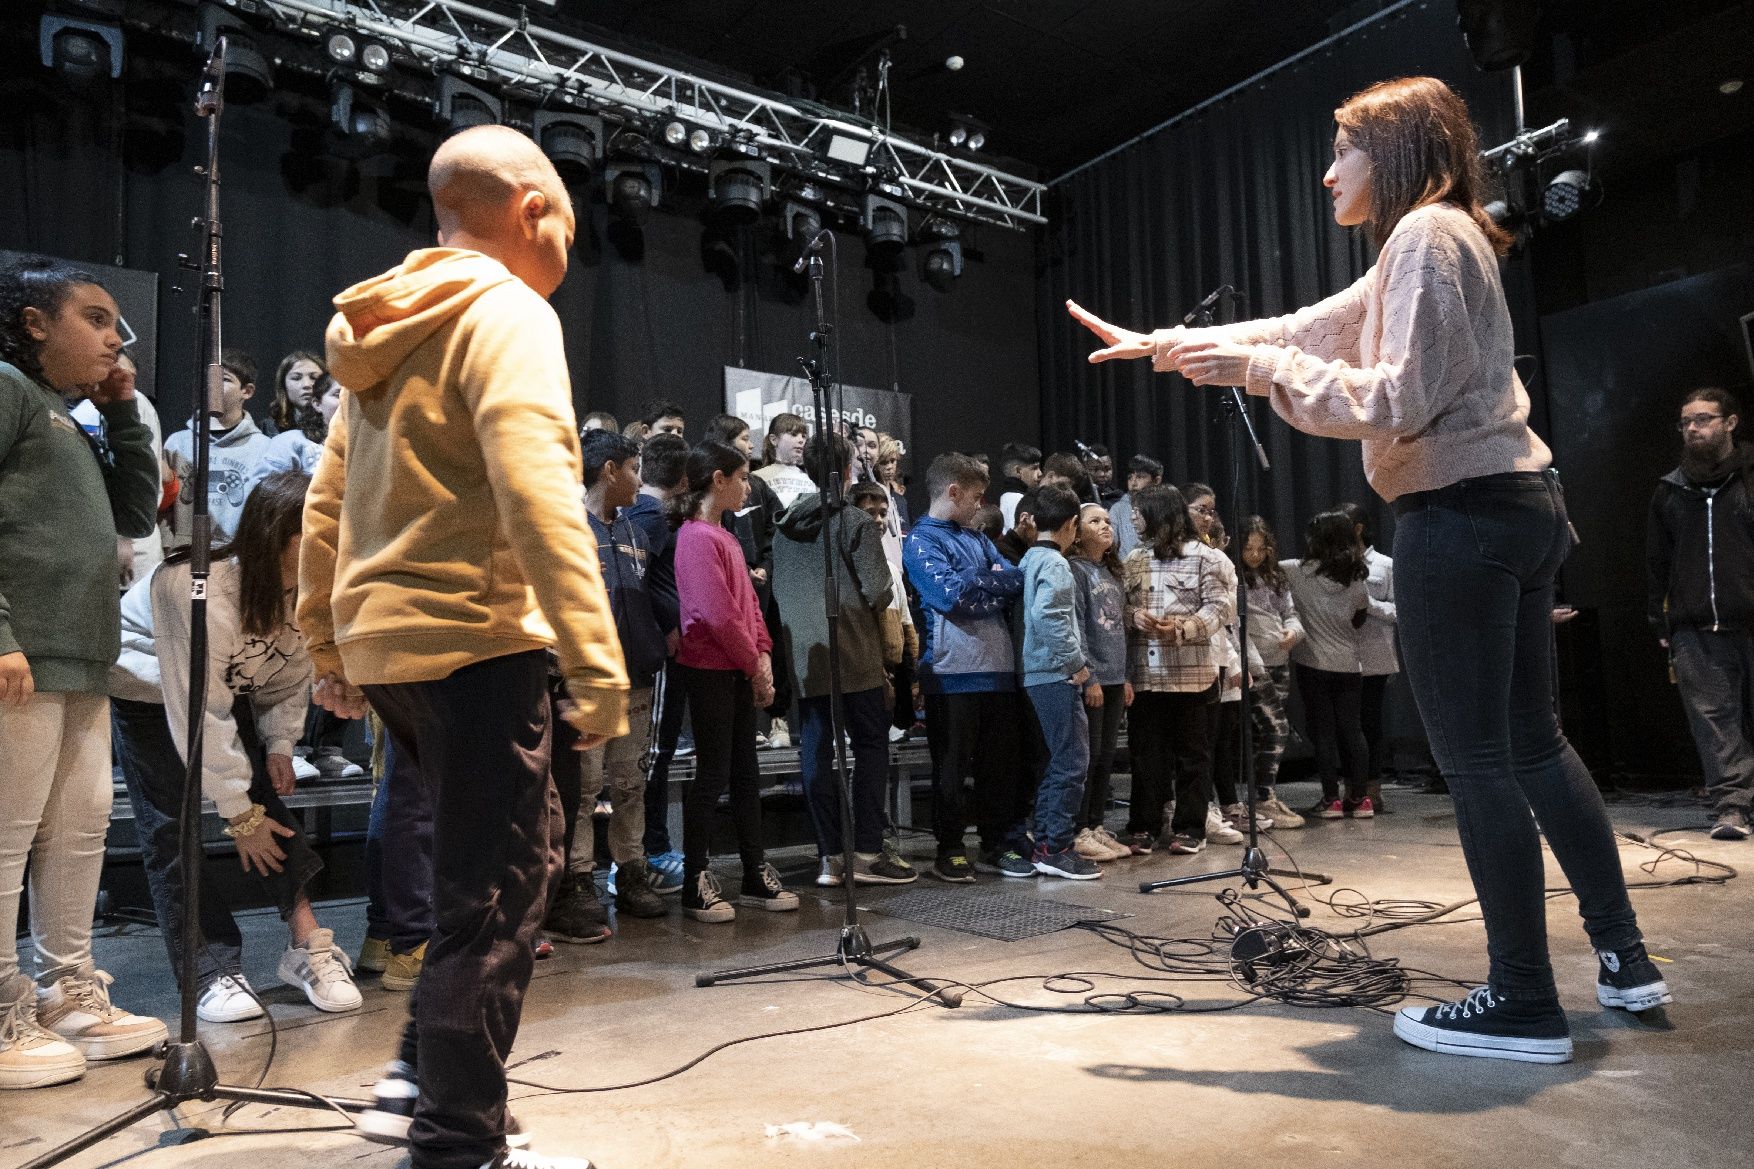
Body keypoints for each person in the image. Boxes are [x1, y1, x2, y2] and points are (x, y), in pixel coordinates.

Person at [1071, 75, 1668, 1062]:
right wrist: (1175, 345)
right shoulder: (1434, 238)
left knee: (1480, 761)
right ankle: (1622, 956)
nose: (1324, 170)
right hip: (1511, 503)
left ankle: (1522, 997)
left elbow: (1392, 396)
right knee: (1529, 745)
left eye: (1341, 149)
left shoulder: (1425, 237)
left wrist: (1254, 371)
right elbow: (1313, 323)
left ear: (1387, 154)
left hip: (1459, 513)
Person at [300, 125, 629, 1167]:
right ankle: (459, 1144)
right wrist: (596, 655)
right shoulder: (509, 311)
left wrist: (326, 641)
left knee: (472, 882)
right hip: (477, 637)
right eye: (567, 224)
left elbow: (322, 505)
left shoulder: (384, 328)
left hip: (390, 644)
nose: (567, 249)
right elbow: (538, 488)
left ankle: (415, 1079)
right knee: (496, 900)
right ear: (534, 209)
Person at [111, 470, 362, 1021]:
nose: (335, 546)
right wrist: (236, 813)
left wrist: (278, 742)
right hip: (150, 689)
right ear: (282, 536)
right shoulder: (196, 588)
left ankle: (306, 945)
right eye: (321, 533)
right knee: (172, 829)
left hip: (224, 692)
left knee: (268, 808)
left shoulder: (306, 589)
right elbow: (194, 707)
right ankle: (211, 971)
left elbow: (290, 672)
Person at [0, 256, 165, 1091]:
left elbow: (137, 510)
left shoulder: (71, 418)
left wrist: (124, 410)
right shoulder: (4, 387)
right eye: (95, 319)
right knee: (6, 833)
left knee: (79, 826)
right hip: (19, 654)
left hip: (78, 657)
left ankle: (67, 991)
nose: (113, 337)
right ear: (35, 322)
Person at [773, 435, 914, 886]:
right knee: (871, 749)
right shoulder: (854, 520)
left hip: (806, 660)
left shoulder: (782, 526)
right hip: (854, 654)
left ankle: (830, 857)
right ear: (846, 470)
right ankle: (867, 852)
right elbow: (879, 590)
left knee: (816, 755)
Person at [546, 430, 670, 939]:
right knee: (582, 788)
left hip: (634, 677)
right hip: (583, 680)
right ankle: (577, 878)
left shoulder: (637, 532)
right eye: (635, 470)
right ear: (609, 471)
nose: (641, 483)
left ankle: (631, 867)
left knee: (630, 781)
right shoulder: (568, 527)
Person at [673, 440, 797, 922]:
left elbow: (749, 608)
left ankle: (753, 869)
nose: (749, 486)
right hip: (709, 670)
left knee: (747, 773)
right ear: (718, 480)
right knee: (712, 774)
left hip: (739, 668)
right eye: (743, 477)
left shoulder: (727, 536)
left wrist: (763, 655)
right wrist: (753, 663)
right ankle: (695, 878)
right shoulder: (695, 537)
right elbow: (718, 615)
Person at [904, 452, 1027, 882]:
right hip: (951, 673)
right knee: (952, 770)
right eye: (976, 497)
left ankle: (995, 844)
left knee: (999, 769)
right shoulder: (920, 540)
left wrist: (979, 581)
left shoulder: (977, 538)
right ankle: (950, 849)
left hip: (998, 670)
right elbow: (955, 598)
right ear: (953, 491)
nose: (981, 505)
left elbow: (1016, 579)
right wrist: (986, 583)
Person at [1648, 386, 1754, 840]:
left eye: (1704, 419)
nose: (1693, 428)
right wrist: (1661, 620)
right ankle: (1732, 808)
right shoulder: (1670, 489)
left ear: (1730, 423)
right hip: (1694, 626)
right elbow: (1657, 562)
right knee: (1713, 723)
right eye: (1686, 421)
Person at [1122, 485, 1233, 855]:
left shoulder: (1207, 557)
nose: (1134, 518)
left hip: (1192, 674)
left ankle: (1190, 828)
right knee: (1146, 756)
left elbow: (1220, 609)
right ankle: (1143, 826)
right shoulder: (1133, 558)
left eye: (1139, 512)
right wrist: (1134, 616)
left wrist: (1183, 629)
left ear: (1158, 514)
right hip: (1145, 675)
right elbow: (1118, 606)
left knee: (1193, 756)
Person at [1019, 485, 1100, 878]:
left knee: (1061, 761)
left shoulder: (1030, 557)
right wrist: (1077, 666)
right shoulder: (1055, 564)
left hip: (1040, 673)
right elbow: (1049, 615)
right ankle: (1057, 847)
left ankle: (1048, 842)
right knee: (1072, 762)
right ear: (1071, 525)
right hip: (1054, 672)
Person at [624, 432, 687, 895]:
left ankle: (648, 851)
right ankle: (653, 851)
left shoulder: (636, 515)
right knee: (654, 756)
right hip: (653, 656)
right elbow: (639, 582)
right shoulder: (653, 518)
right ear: (684, 480)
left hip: (644, 651)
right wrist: (664, 624)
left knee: (649, 757)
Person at [1283, 512, 1372, 818]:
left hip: (1313, 663)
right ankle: (1360, 799)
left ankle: (1331, 799)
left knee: (1322, 731)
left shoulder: (1296, 571)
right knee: (1352, 729)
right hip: (1350, 664)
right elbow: (1359, 617)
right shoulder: (1358, 576)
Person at [1069, 503, 1135, 860]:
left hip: (1113, 678)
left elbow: (1120, 629)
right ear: (1077, 532)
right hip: (1091, 679)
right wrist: (1089, 676)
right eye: (1095, 521)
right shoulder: (1075, 570)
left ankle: (1096, 824)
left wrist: (1124, 677)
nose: (1106, 526)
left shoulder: (1111, 572)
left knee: (1107, 756)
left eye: (1109, 521)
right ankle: (1078, 829)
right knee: (1089, 756)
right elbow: (1078, 626)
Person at [163, 348, 271, 546]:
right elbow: (163, 506)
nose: (213, 385)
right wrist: (169, 545)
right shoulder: (177, 443)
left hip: (236, 555)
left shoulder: (265, 449)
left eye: (225, 379)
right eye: (209, 379)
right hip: (183, 554)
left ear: (247, 391)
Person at [1239, 516, 1306, 829]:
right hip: (1255, 666)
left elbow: (1289, 614)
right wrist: (1253, 664)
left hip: (1280, 663)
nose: (1254, 555)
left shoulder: (1275, 577)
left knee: (1263, 733)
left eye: (1260, 548)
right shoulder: (1236, 579)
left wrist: (1293, 632)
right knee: (1276, 728)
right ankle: (1263, 797)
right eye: (1247, 548)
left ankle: (1259, 799)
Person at [1342, 501, 1399, 812]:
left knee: (1370, 725)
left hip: (1375, 657)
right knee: (1345, 727)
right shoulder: (1334, 564)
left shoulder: (1385, 565)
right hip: (1340, 655)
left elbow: (1400, 611)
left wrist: (1370, 604)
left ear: (1358, 529)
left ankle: (1372, 789)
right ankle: (1349, 788)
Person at [251, 373, 344, 487]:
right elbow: (261, 493)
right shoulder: (291, 442)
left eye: (354, 397)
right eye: (338, 394)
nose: (348, 402)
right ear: (317, 404)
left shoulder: (366, 449)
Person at [754, 411, 814, 509]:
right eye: (794, 434)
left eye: (804, 436)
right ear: (774, 440)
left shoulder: (811, 479)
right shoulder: (758, 477)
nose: (801, 440)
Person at [1110, 454, 1162, 560]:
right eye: (1130, 477)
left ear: (1156, 480)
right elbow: (1111, 547)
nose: (1133, 483)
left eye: (1140, 477)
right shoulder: (1118, 509)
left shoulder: (1164, 506)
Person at [269, 350, 326, 436]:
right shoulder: (268, 428)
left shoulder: (340, 425)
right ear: (283, 385)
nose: (306, 385)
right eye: (296, 378)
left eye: (314, 377)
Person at [995, 442, 1042, 530]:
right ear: (1018, 471)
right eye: (1034, 468)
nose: (1040, 473)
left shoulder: (1006, 497)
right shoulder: (1017, 499)